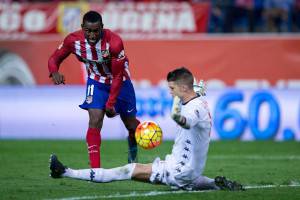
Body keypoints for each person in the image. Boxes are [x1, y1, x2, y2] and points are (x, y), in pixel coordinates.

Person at [49, 67, 244, 191]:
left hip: (177, 171)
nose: (170, 92)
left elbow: (188, 120)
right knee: (189, 180)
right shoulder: (197, 99)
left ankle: (65, 172)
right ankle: (214, 184)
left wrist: (177, 115)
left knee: (127, 171)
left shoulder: (194, 109)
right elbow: (194, 97)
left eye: (172, 89)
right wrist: (195, 92)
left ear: (183, 89)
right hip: (187, 168)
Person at [48, 11, 140, 168]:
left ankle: (133, 154)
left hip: (120, 82)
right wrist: (54, 71)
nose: (91, 35)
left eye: (96, 31)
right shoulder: (73, 40)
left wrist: (110, 103)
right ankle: (95, 169)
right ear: (82, 27)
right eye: (88, 30)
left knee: (131, 125)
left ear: (102, 28)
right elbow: (54, 58)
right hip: (96, 81)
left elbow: (117, 76)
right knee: (95, 119)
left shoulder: (115, 42)